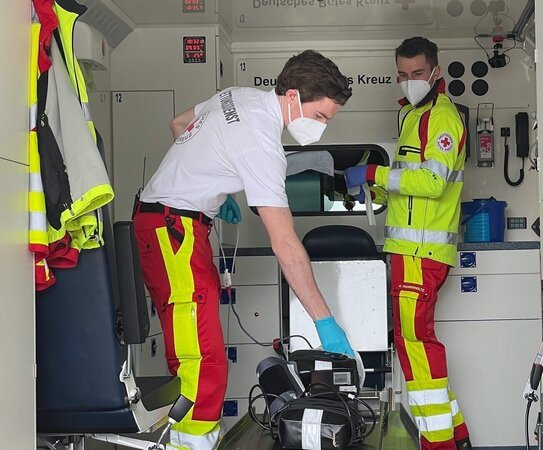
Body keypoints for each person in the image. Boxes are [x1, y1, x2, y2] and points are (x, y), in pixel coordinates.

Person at [132, 50, 355, 450]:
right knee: (202, 359)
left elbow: (179, 124)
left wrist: (211, 187)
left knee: (199, 350)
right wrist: (325, 323)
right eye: (320, 116)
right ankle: (189, 444)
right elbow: (285, 243)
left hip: (172, 224)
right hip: (173, 232)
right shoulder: (262, 146)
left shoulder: (238, 95)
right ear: (292, 97)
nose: (321, 127)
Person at [344, 37, 470, 450]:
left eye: (417, 73)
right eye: (402, 74)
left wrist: (374, 176)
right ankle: (457, 436)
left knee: (415, 344)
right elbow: (408, 184)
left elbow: (432, 183)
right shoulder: (410, 117)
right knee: (417, 342)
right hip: (408, 253)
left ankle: (439, 444)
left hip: (421, 254)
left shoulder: (442, 119)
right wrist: (377, 192)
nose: (409, 81)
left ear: (436, 71)